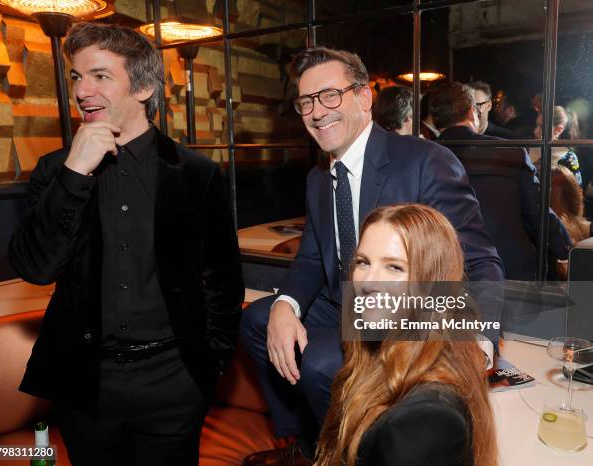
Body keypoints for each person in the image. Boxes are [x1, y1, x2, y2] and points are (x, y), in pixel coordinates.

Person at [240, 46, 503, 466]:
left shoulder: (426, 162)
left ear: (364, 98)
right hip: (343, 303)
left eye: (329, 95)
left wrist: (481, 340)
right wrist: (286, 305)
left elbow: (480, 260)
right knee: (257, 318)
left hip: (405, 313)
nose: (316, 111)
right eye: (306, 101)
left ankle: (349, 453)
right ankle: (301, 444)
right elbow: (311, 258)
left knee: (321, 362)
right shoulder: (316, 178)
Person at [9, 22, 243, 466]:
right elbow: (35, 267)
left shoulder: (197, 174)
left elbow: (222, 282)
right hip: (84, 381)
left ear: (143, 88)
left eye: (99, 75)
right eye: (76, 77)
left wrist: (206, 369)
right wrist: (75, 173)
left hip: (173, 382)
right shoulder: (54, 171)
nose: (82, 90)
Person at [315, 203, 498, 466]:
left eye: (394, 267)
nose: (368, 282)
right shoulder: (380, 350)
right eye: (363, 262)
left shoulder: (428, 419)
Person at [431, 82, 571, 280]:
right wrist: (565, 248)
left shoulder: (423, 157)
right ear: (472, 112)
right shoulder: (510, 152)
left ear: (437, 120)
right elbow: (538, 212)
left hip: (444, 273)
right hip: (511, 272)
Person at [533, 105, 583, 185]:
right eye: (536, 125)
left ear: (558, 130)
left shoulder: (568, 158)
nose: (535, 131)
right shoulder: (529, 149)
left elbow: (575, 191)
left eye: (542, 127)